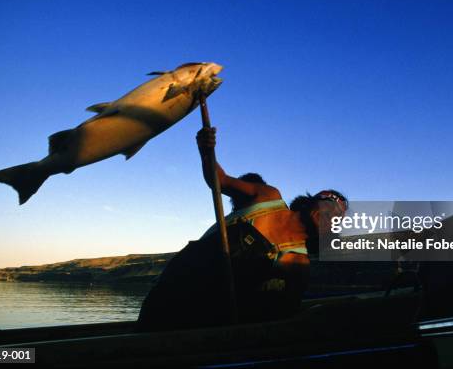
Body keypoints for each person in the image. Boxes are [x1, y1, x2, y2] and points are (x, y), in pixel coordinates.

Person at [137, 127, 347, 331]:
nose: (332, 215)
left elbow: (279, 311)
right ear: (312, 200)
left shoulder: (298, 262)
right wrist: (206, 151)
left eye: (338, 218)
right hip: (171, 290)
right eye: (329, 205)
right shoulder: (268, 197)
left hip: (203, 319)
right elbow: (219, 180)